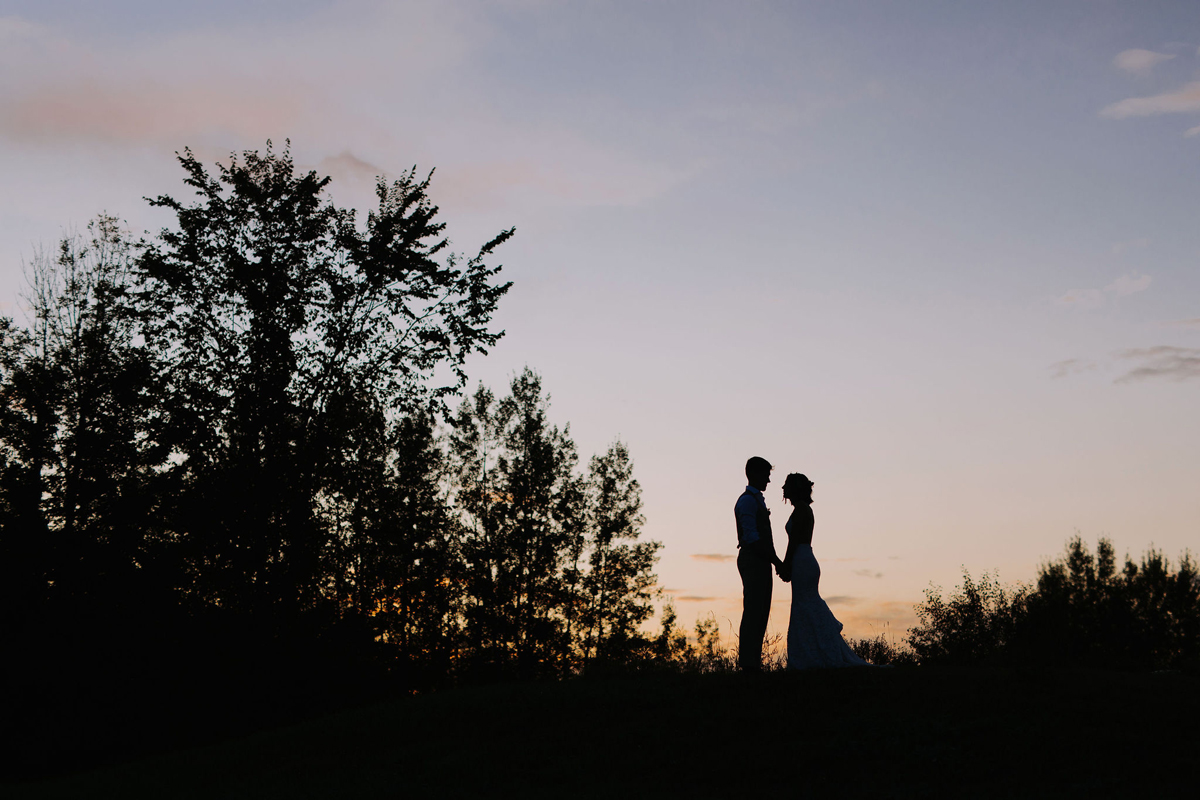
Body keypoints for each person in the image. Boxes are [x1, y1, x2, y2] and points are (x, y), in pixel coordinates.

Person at [778, 473, 869, 669]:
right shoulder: (802, 509)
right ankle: (812, 652)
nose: (783, 489)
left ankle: (818, 652)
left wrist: (786, 564)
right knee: (806, 605)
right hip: (803, 559)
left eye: (786, 485)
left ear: (795, 489)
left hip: (802, 560)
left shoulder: (801, 510)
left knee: (806, 604)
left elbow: (794, 541)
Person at [734, 456, 785, 672]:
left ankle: (753, 662)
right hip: (753, 558)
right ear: (754, 474)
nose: (768, 480)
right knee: (753, 610)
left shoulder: (756, 500)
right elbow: (752, 537)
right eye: (766, 475)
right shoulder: (747, 501)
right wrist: (776, 560)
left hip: (761, 559)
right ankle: (748, 664)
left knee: (761, 610)